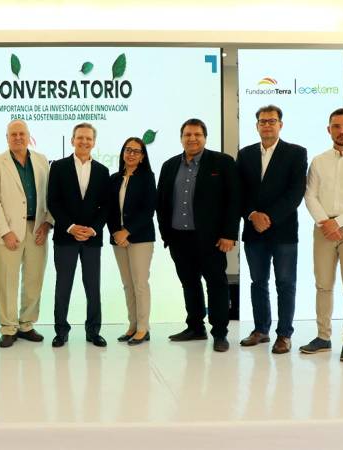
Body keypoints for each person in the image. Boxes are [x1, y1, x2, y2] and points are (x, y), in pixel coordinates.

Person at [156, 118, 240, 352]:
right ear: (181, 138)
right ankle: (195, 327)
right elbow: (161, 201)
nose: (192, 139)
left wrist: (229, 234)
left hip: (212, 239)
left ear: (205, 137)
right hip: (179, 238)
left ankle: (220, 333)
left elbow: (233, 201)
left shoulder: (222, 162)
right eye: (187, 135)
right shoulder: (170, 165)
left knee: (216, 284)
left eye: (197, 134)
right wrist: (166, 234)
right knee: (189, 283)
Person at [236, 105, 307, 354]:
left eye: (272, 121)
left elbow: (295, 192)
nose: (267, 125)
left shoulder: (296, 153)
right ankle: (261, 330)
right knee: (258, 282)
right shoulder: (244, 155)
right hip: (254, 231)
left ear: (281, 125)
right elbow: (239, 192)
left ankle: (284, 334)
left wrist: (270, 217)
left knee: (285, 283)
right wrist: (252, 215)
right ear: (256, 126)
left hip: (284, 231)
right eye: (262, 121)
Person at [301, 108, 343, 363]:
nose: (342, 131)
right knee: (323, 284)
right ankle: (323, 337)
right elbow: (310, 195)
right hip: (323, 229)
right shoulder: (319, 161)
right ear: (329, 130)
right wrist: (324, 222)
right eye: (336, 126)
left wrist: (338, 221)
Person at [0, 120, 52, 348]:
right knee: (6, 281)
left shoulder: (42, 160)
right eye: (13, 134)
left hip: (37, 230)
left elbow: (50, 196)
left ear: (28, 136)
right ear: (7, 137)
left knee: (34, 280)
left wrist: (47, 224)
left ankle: (26, 325)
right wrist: (5, 232)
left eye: (22, 134)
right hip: (9, 233)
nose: (18, 138)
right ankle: (8, 328)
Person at [48, 122, 110, 348]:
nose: (84, 142)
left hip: (92, 239)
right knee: (63, 285)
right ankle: (61, 331)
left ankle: (93, 331)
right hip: (66, 238)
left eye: (88, 138)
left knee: (93, 287)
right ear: (72, 140)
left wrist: (93, 229)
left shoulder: (103, 171)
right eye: (80, 138)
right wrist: (71, 227)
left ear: (94, 142)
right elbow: (53, 202)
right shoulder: (58, 167)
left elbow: (106, 206)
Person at [107, 137, 156, 346]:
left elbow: (148, 210)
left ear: (143, 156)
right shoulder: (114, 178)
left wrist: (127, 231)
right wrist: (116, 233)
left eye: (136, 151)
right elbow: (109, 209)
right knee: (128, 285)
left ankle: (143, 328)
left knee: (140, 284)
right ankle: (133, 325)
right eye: (128, 150)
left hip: (140, 239)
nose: (131, 154)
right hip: (119, 239)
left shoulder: (147, 178)